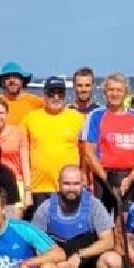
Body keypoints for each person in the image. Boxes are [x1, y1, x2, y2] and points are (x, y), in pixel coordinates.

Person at [31, 165, 121, 268]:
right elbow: (35, 245)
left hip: (87, 262)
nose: (71, 188)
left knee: (114, 261)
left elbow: (108, 241)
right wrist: (60, 264)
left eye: (75, 184)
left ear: (83, 183)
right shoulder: (45, 208)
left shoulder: (95, 205)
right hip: (58, 265)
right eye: (67, 184)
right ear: (59, 183)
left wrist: (80, 255)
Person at [80, 72, 134, 219]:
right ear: (105, 92)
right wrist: (106, 180)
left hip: (130, 177)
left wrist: (130, 178)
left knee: (125, 224)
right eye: (111, 90)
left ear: (126, 93)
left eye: (119, 90)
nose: (115, 93)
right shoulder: (96, 115)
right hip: (103, 177)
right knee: (102, 224)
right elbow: (89, 151)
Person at [21, 76, 84, 215]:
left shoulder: (78, 118)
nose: (56, 97)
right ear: (44, 95)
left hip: (69, 187)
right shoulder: (31, 118)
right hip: (38, 187)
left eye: (60, 93)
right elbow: (22, 154)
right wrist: (26, 188)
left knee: (68, 231)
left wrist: (83, 179)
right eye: (51, 93)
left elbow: (85, 153)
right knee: (40, 233)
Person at [0, 97, 30, 207]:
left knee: (13, 220)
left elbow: (25, 164)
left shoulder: (18, 132)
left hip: (16, 181)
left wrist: (28, 191)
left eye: (1, 113)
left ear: (7, 114)